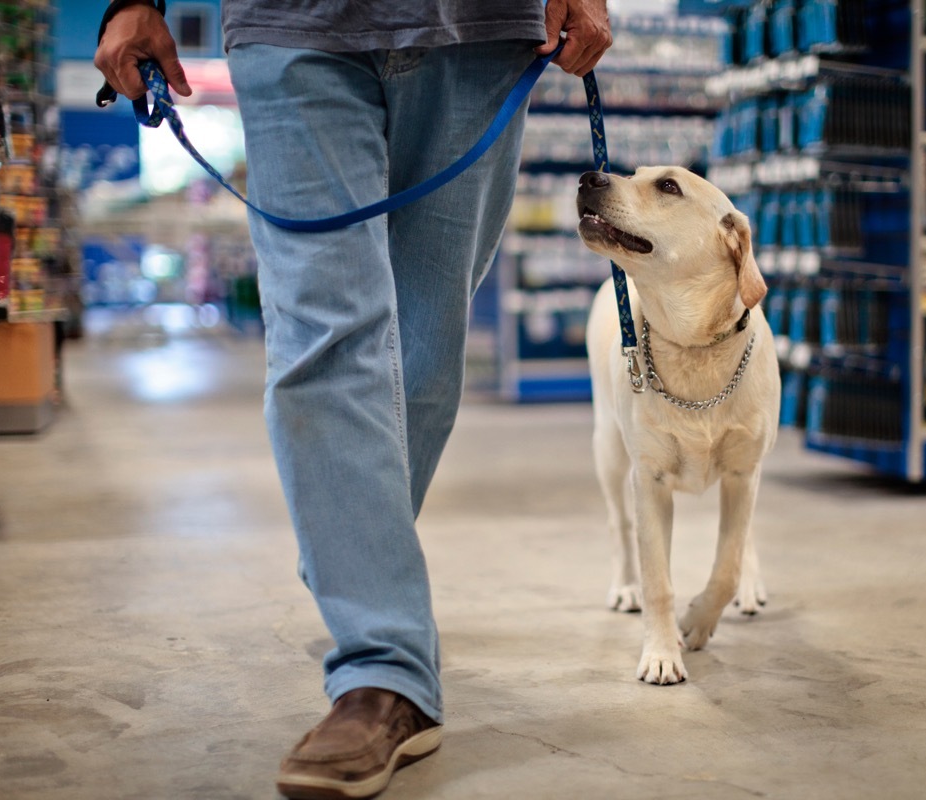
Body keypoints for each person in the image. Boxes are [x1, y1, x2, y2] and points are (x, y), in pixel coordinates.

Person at [94, 2, 612, 798]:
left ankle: (351, 548)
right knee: (327, 336)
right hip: (289, 24)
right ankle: (384, 670)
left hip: (477, 28)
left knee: (426, 350)